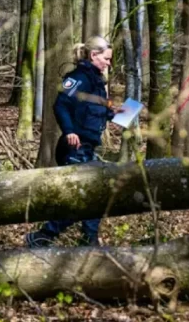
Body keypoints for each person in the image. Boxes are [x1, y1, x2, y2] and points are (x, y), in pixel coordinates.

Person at [25, 36, 120, 248]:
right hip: (73, 149)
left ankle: (87, 240)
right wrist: (69, 131)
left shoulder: (98, 84)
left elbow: (103, 111)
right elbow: (60, 105)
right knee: (86, 198)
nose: (108, 63)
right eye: (106, 58)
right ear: (94, 55)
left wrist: (121, 113)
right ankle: (44, 236)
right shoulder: (77, 78)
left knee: (94, 195)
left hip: (87, 148)